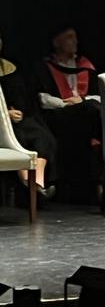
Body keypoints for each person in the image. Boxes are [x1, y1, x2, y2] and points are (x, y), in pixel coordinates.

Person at [31, 25, 102, 202]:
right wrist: (65, 103)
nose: (75, 41)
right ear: (57, 42)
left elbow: (101, 95)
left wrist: (82, 101)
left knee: (92, 109)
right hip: (57, 117)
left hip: (84, 115)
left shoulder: (86, 66)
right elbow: (41, 97)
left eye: (75, 37)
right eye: (70, 37)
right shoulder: (44, 66)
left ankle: (98, 186)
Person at [0, 30, 57, 199]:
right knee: (16, 138)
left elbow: (21, 97)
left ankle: (37, 183)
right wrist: (4, 115)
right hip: (2, 125)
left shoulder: (9, 68)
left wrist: (18, 110)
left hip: (15, 120)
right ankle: (28, 184)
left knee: (43, 136)